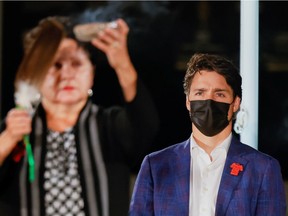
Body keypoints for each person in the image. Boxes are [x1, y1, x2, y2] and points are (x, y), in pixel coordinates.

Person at [0, 16, 159, 216]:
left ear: (91, 73)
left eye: (76, 63)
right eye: (55, 65)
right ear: (38, 74)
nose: (66, 74)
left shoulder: (108, 126)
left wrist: (122, 65)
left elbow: (145, 125)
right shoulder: (15, 128)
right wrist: (8, 139)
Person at [129, 53, 287, 215]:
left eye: (219, 94)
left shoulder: (263, 169)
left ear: (235, 103)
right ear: (188, 102)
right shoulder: (155, 166)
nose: (209, 101)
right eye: (200, 93)